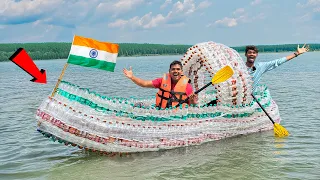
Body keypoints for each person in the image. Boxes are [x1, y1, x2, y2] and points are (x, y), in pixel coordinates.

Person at [123, 60, 198, 109]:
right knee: (137, 106)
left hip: (177, 114)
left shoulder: (187, 86)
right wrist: (132, 77)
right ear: (169, 71)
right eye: (173, 69)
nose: (175, 71)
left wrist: (193, 101)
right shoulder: (162, 81)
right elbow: (144, 84)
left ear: (181, 72)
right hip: (160, 110)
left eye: (178, 69)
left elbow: (191, 106)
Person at [245, 44, 310, 90]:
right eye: (249, 52)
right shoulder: (239, 67)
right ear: (246, 54)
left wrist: (297, 53)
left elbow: (278, 62)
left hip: (251, 97)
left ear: (256, 55)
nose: (252, 54)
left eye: (254, 53)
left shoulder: (260, 66)